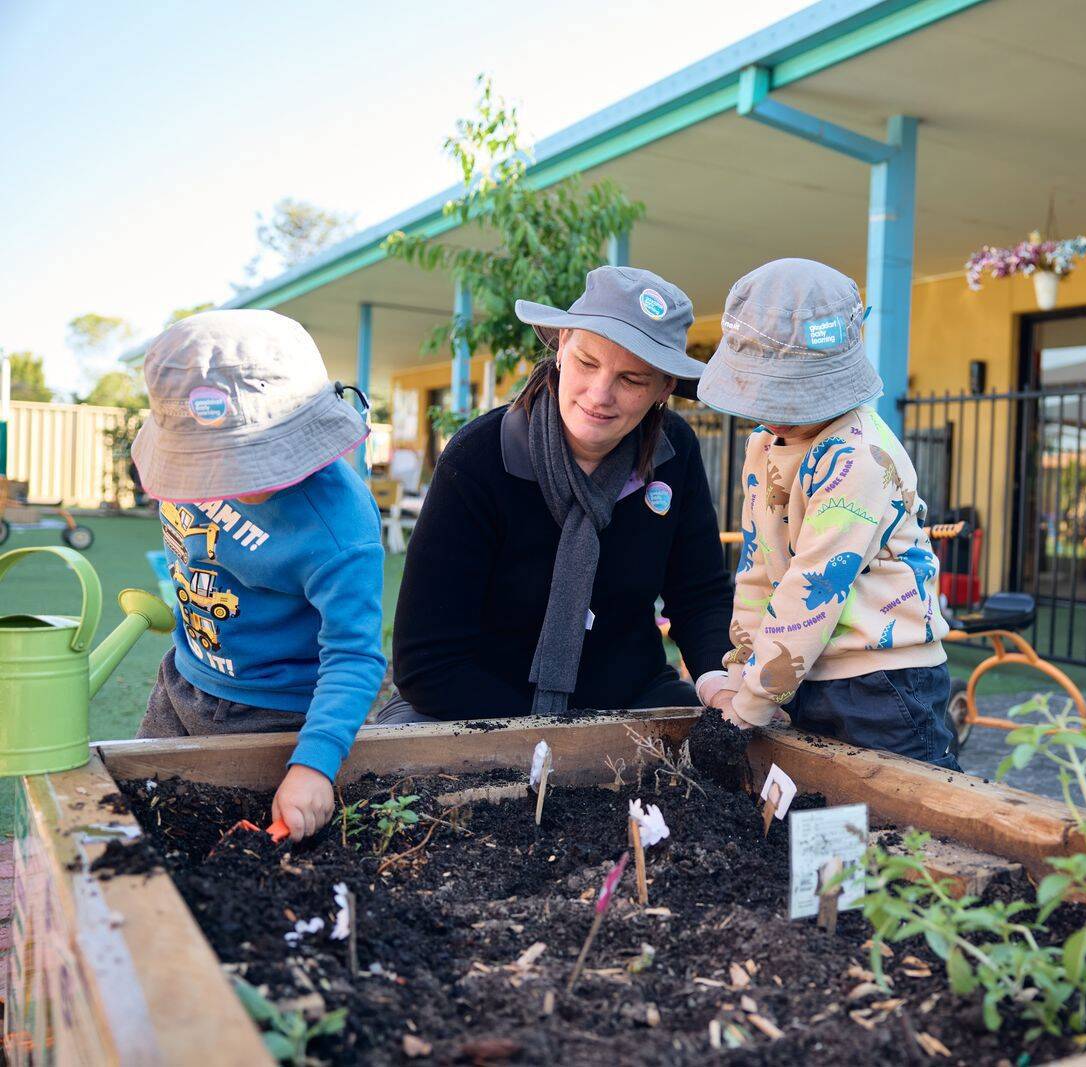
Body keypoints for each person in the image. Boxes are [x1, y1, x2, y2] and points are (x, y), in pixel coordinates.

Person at [381, 266, 733, 722]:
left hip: (628, 695)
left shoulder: (674, 451)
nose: (599, 394)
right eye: (587, 362)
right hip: (473, 700)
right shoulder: (477, 459)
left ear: (665, 388)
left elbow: (698, 592)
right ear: (562, 344)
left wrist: (717, 679)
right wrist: (556, 737)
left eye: (631, 380)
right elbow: (427, 664)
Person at [132, 310, 385, 841]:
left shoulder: (337, 525)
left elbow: (354, 655)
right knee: (143, 833)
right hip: (181, 680)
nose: (229, 481)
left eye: (251, 460)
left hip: (278, 719)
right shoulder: (187, 459)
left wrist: (312, 764)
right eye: (213, 465)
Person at [696, 258, 959, 769]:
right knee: (827, 817)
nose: (770, 409)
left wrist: (748, 706)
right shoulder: (763, 446)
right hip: (809, 667)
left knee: (906, 820)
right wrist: (740, 672)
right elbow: (759, 568)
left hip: (884, 679)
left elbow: (811, 589)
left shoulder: (858, 457)